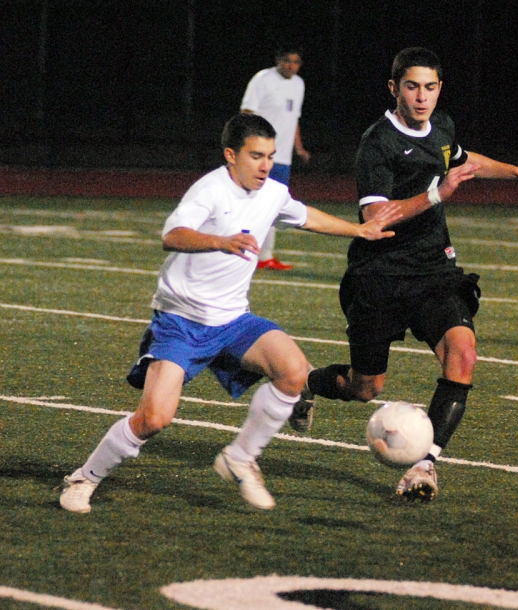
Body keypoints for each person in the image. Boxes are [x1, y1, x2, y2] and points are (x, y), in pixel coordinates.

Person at [59, 113, 401, 514]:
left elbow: (305, 215)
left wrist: (358, 230)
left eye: (270, 156)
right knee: (154, 418)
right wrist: (220, 241)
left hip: (234, 320)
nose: (265, 165)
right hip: (182, 322)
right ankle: (85, 477)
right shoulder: (210, 190)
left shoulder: (272, 192)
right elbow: (172, 235)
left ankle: (240, 457)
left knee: (294, 372)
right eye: (256, 156)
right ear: (230, 155)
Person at [292, 47, 518, 503]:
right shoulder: (377, 143)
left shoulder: (441, 126)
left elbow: (463, 160)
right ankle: (305, 384)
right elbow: (376, 217)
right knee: (366, 388)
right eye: (411, 86)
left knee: (463, 352)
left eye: (430, 87)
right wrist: (436, 193)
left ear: (440, 89)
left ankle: (425, 466)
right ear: (394, 88)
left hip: (432, 271)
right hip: (379, 275)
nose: (421, 97)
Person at [240, 45, 311, 271]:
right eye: (287, 60)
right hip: (260, 154)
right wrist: (249, 146)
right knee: (248, 203)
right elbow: (247, 113)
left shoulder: (299, 84)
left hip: (282, 158)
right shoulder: (263, 79)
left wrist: (298, 147)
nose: (291, 66)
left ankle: (264, 256)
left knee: (272, 206)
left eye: (296, 62)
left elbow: (293, 118)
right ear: (278, 60)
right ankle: (240, 250)